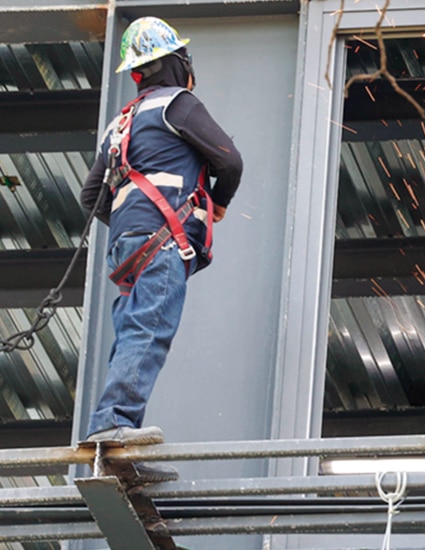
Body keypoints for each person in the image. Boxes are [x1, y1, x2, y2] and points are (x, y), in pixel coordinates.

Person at [79, 17, 243, 481]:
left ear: (137, 73)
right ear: (177, 62)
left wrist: (133, 225)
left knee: (133, 334)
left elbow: (91, 198)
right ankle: (113, 426)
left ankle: (115, 444)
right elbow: (229, 160)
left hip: (127, 248)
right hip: (162, 243)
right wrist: (219, 204)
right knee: (148, 334)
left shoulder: (120, 124)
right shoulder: (178, 104)